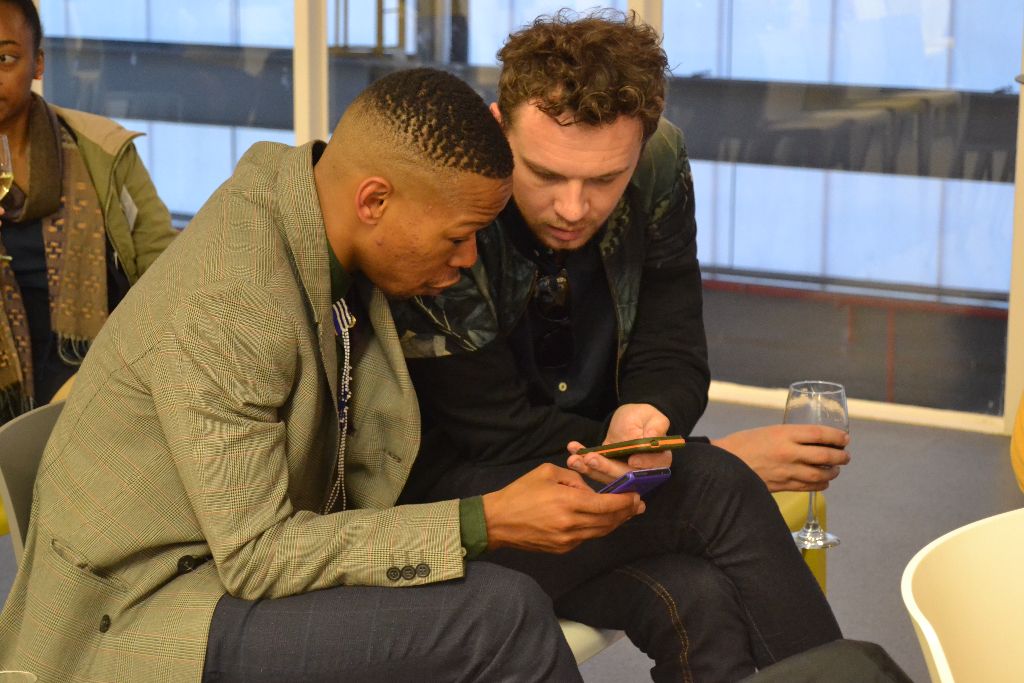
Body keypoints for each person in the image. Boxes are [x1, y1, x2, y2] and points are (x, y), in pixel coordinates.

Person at [0, 67, 614, 682]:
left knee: (535, 573)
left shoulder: (314, 210)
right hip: (143, 608)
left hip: (234, 556)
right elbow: (258, 557)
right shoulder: (232, 301)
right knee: (497, 615)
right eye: (460, 235)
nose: (469, 257)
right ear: (374, 201)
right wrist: (485, 520)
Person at [392, 10, 852, 680]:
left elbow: (673, 347)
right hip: (456, 500)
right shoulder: (454, 197)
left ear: (641, 148)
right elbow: (492, 429)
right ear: (498, 130)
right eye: (545, 174)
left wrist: (647, 418)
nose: (573, 207)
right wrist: (707, 456)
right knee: (717, 487)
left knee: (700, 600)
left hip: (584, 483)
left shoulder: (659, 165)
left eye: (605, 179)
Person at [0, 0, 176, 421]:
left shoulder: (102, 153)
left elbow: (166, 276)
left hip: (95, 395)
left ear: (38, 64)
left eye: (5, 59)